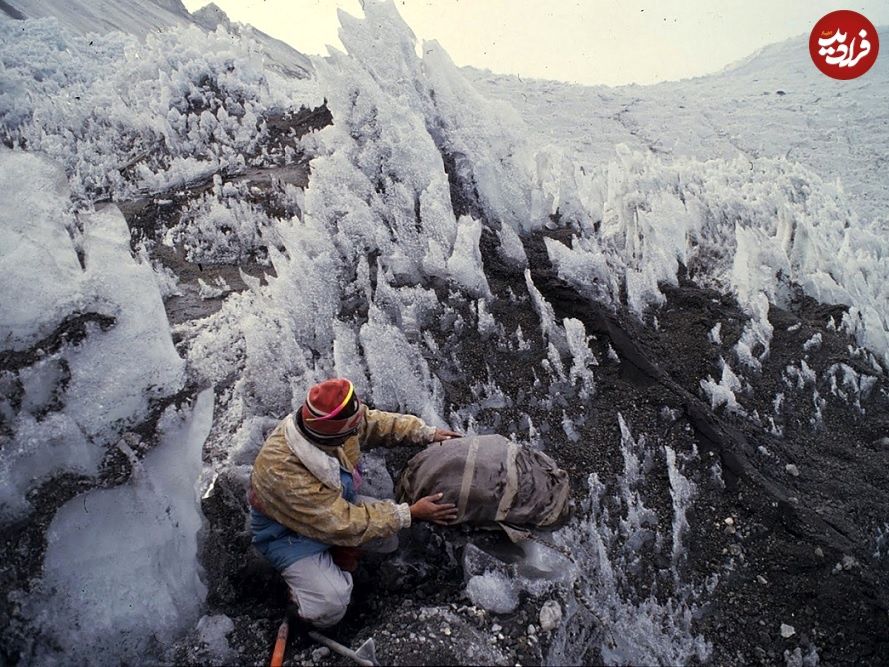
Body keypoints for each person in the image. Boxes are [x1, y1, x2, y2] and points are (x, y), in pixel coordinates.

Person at [248, 378, 461, 628]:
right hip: (288, 534)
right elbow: (341, 523)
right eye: (350, 430)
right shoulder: (283, 471)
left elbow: (371, 423)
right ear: (331, 435)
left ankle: (338, 557)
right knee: (331, 604)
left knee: (388, 540)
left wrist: (425, 432)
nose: (356, 431)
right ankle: (299, 602)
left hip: (331, 508)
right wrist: (410, 513)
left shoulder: (330, 427)